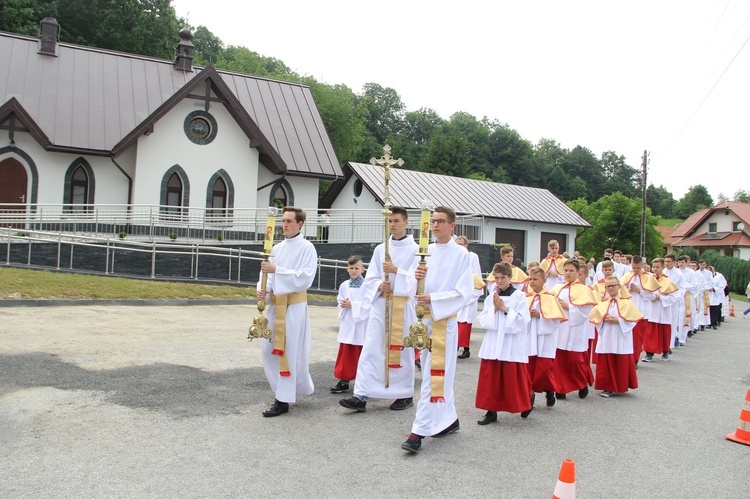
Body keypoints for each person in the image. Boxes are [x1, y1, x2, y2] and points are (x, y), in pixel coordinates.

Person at [401, 206, 474, 454]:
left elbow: (464, 292)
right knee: (439, 376)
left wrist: (433, 298)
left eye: (441, 221)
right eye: (433, 221)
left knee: (435, 376)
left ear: (452, 226)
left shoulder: (462, 254)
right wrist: (416, 277)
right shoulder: (425, 252)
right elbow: (411, 284)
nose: (435, 225)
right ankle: (449, 420)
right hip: (424, 320)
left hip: (445, 321)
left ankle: (417, 432)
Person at [340, 207, 419, 413]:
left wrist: (396, 272)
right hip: (381, 303)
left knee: (401, 349)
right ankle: (362, 394)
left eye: (396, 220)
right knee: (372, 347)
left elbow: (416, 280)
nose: (392, 224)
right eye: (390, 221)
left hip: (402, 305)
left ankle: (404, 394)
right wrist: (378, 285)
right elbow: (372, 278)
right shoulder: (380, 249)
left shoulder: (416, 249)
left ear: (406, 223)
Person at [257, 207, 317, 417]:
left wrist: (277, 270)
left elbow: (305, 278)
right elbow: (267, 275)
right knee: (267, 350)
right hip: (276, 306)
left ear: (300, 224)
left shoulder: (307, 248)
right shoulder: (277, 248)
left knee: (288, 352)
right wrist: (262, 291)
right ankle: (283, 389)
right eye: (283, 221)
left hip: (294, 308)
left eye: (289, 221)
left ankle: (282, 400)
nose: (285, 225)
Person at [474, 262, 533, 425]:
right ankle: (491, 411)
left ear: (510, 277)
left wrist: (504, 309)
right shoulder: (491, 296)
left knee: (512, 378)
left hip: (510, 342)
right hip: (493, 340)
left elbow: (523, 320)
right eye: (497, 278)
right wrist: (494, 309)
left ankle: (525, 402)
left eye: (503, 278)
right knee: (491, 377)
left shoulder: (519, 296)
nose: (499, 281)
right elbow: (483, 318)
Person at [551, 259, 596, 400]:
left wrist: (568, 306)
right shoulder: (558, 288)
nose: (568, 273)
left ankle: (582, 384)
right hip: (560, 328)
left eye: (571, 271)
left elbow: (585, 311)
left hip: (576, 328)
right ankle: (560, 388)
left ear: (578, 273)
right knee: (559, 360)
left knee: (575, 360)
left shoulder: (584, 289)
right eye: (566, 270)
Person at [589, 276, 642, 397]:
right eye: (608, 286)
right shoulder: (602, 303)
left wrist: (619, 321)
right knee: (606, 359)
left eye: (613, 285)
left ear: (619, 286)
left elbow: (633, 320)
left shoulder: (627, 303)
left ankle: (619, 385)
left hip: (620, 336)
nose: (611, 288)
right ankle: (607, 386)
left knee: (620, 360)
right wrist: (603, 319)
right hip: (607, 335)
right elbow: (595, 319)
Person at [526, 266, 567, 408]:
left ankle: (549, 390)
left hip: (545, 339)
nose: (532, 282)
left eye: (535, 279)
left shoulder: (550, 298)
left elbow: (556, 321)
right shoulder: (526, 298)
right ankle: (529, 396)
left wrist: (541, 316)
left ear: (544, 280)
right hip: (530, 338)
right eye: (530, 279)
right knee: (529, 368)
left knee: (544, 369)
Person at [330, 256, 369, 394]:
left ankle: (362, 381)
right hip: (348, 323)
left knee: (361, 353)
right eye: (351, 268)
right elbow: (340, 299)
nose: (354, 271)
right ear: (347, 269)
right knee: (346, 352)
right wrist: (344, 304)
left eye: (356, 268)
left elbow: (368, 303)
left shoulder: (367, 285)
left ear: (362, 269)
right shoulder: (344, 285)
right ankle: (344, 381)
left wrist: (353, 305)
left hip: (360, 324)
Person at [620, 255, 658, 365]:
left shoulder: (649, 277)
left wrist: (639, 291)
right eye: (633, 267)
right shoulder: (627, 275)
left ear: (642, 266)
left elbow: (652, 296)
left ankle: (635, 359)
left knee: (637, 338)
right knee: (627, 336)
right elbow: (620, 290)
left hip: (642, 312)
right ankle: (627, 358)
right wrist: (627, 290)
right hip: (628, 311)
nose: (635, 270)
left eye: (638, 268)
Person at [642, 258, 678, 362]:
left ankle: (665, 351)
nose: (655, 269)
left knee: (664, 332)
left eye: (658, 267)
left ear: (663, 267)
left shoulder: (668, 281)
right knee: (650, 333)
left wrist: (660, 298)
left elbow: (672, 298)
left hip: (663, 310)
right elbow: (644, 293)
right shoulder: (648, 279)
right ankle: (649, 353)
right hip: (651, 310)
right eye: (654, 267)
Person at [455, 235, 484, 359]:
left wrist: (471, 295)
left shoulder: (472, 256)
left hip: (469, 294)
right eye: (457, 245)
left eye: (461, 245)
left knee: (465, 324)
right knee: (455, 324)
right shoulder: (454, 257)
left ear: (466, 245)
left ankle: (466, 349)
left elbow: (476, 275)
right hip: (456, 294)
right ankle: (455, 347)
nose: (459, 247)